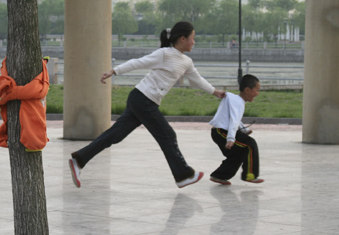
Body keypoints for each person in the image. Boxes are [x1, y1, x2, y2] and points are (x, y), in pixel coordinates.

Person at [69, 21, 226, 189]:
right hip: (143, 99)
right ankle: (183, 175)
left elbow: (197, 80)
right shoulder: (164, 54)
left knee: (116, 135)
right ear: (182, 39)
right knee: (168, 135)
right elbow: (139, 62)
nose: (194, 42)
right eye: (193, 38)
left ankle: (79, 159)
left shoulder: (186, 61)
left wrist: (215, 92)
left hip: (143, 100)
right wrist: (114, 71)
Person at [209, 74, 263, 185]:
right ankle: (250, 175)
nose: (258, 93)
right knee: (250, 144)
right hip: (221, 132)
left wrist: (244, 130)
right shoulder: (237, 102)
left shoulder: (235, 100)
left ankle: (219, 176)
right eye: (257, 90)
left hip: (219, 132)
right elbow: (234, 120)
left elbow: (234, 118)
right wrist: (230, 139)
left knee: (238, 153)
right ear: (247, 90)